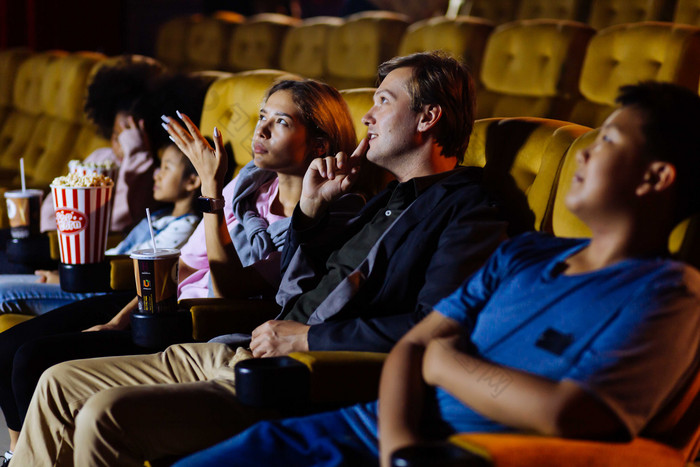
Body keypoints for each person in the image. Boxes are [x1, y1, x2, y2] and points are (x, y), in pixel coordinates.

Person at [9, 51, 513, 466]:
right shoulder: (382, 200)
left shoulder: (465, 209)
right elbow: (296, 292)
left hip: (299, 370)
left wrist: (309, 336)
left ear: (428, 117)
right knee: (55, 383)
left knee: (104, 414)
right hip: (243, 346)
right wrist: (311, 215)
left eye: (384, 100)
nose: (367, 115)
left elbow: (434, 327)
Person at [171, 81, 700, 467]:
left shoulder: (668, 294)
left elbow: (569, 414)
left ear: (656, 176)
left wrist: (441, 363)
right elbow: (410, 351)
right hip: (373, 426)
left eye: (608, 142)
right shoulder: (526, 255)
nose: (586, 152)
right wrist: (398, 447)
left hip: (463, 451)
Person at [0, 78, 357, 465]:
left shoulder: (320, 213)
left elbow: (227, 291)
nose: (261, 129)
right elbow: (182, 265)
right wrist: (120, 320)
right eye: (261, 116)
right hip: (160, 301)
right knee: (8, 349)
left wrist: (211, 193)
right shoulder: (248, 186)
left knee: (33, 359)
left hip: (197, 319)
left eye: (281, 122)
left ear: (320, 144)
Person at [0, 143, 201, 315]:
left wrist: (73, 278)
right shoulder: (160, 215)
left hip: (105, 290)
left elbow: (140, 267)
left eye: (166, 168)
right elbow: (121, 250)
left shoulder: (186, 226)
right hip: (91, 278)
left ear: (192, 181)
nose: (157, 175)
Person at [39, 55, 164, 235]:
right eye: (116, 137)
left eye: (130, 139)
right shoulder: (100, 158)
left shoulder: (155, 173)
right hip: (63, 239)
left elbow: (121, 219)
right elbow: (56, 202)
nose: (121, 147)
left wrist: (136, 151)